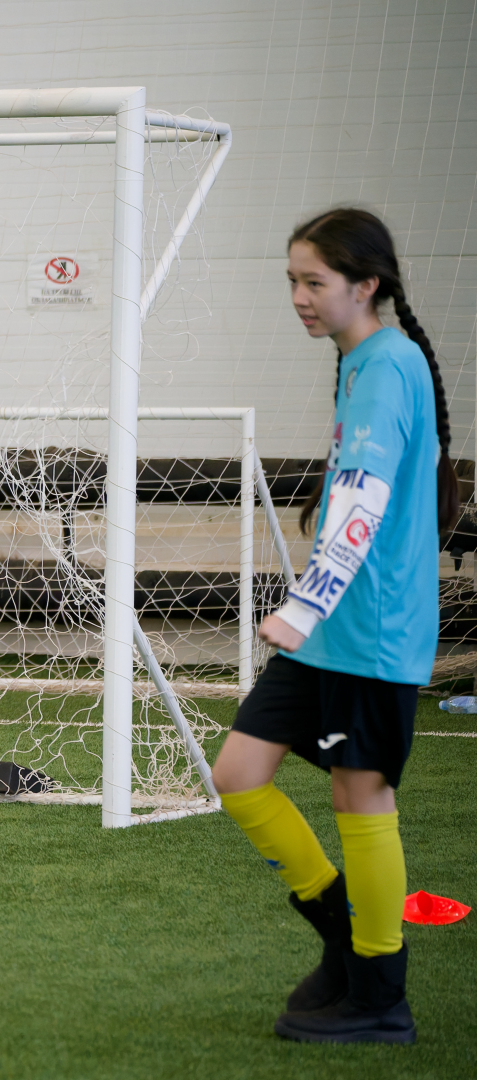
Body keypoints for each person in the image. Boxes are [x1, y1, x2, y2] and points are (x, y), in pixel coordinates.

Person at [210, 209, 457, 1045]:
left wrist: (303, 605)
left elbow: (364, 499)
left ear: (366, 284)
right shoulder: (360, 361)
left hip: (370, 631)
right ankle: (345, 941)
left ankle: (379, 993)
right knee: (239, 775)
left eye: (314, 281)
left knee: (362, 795)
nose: (299, 297)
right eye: (292, 280)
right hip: (330, 632)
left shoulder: (388, 364)